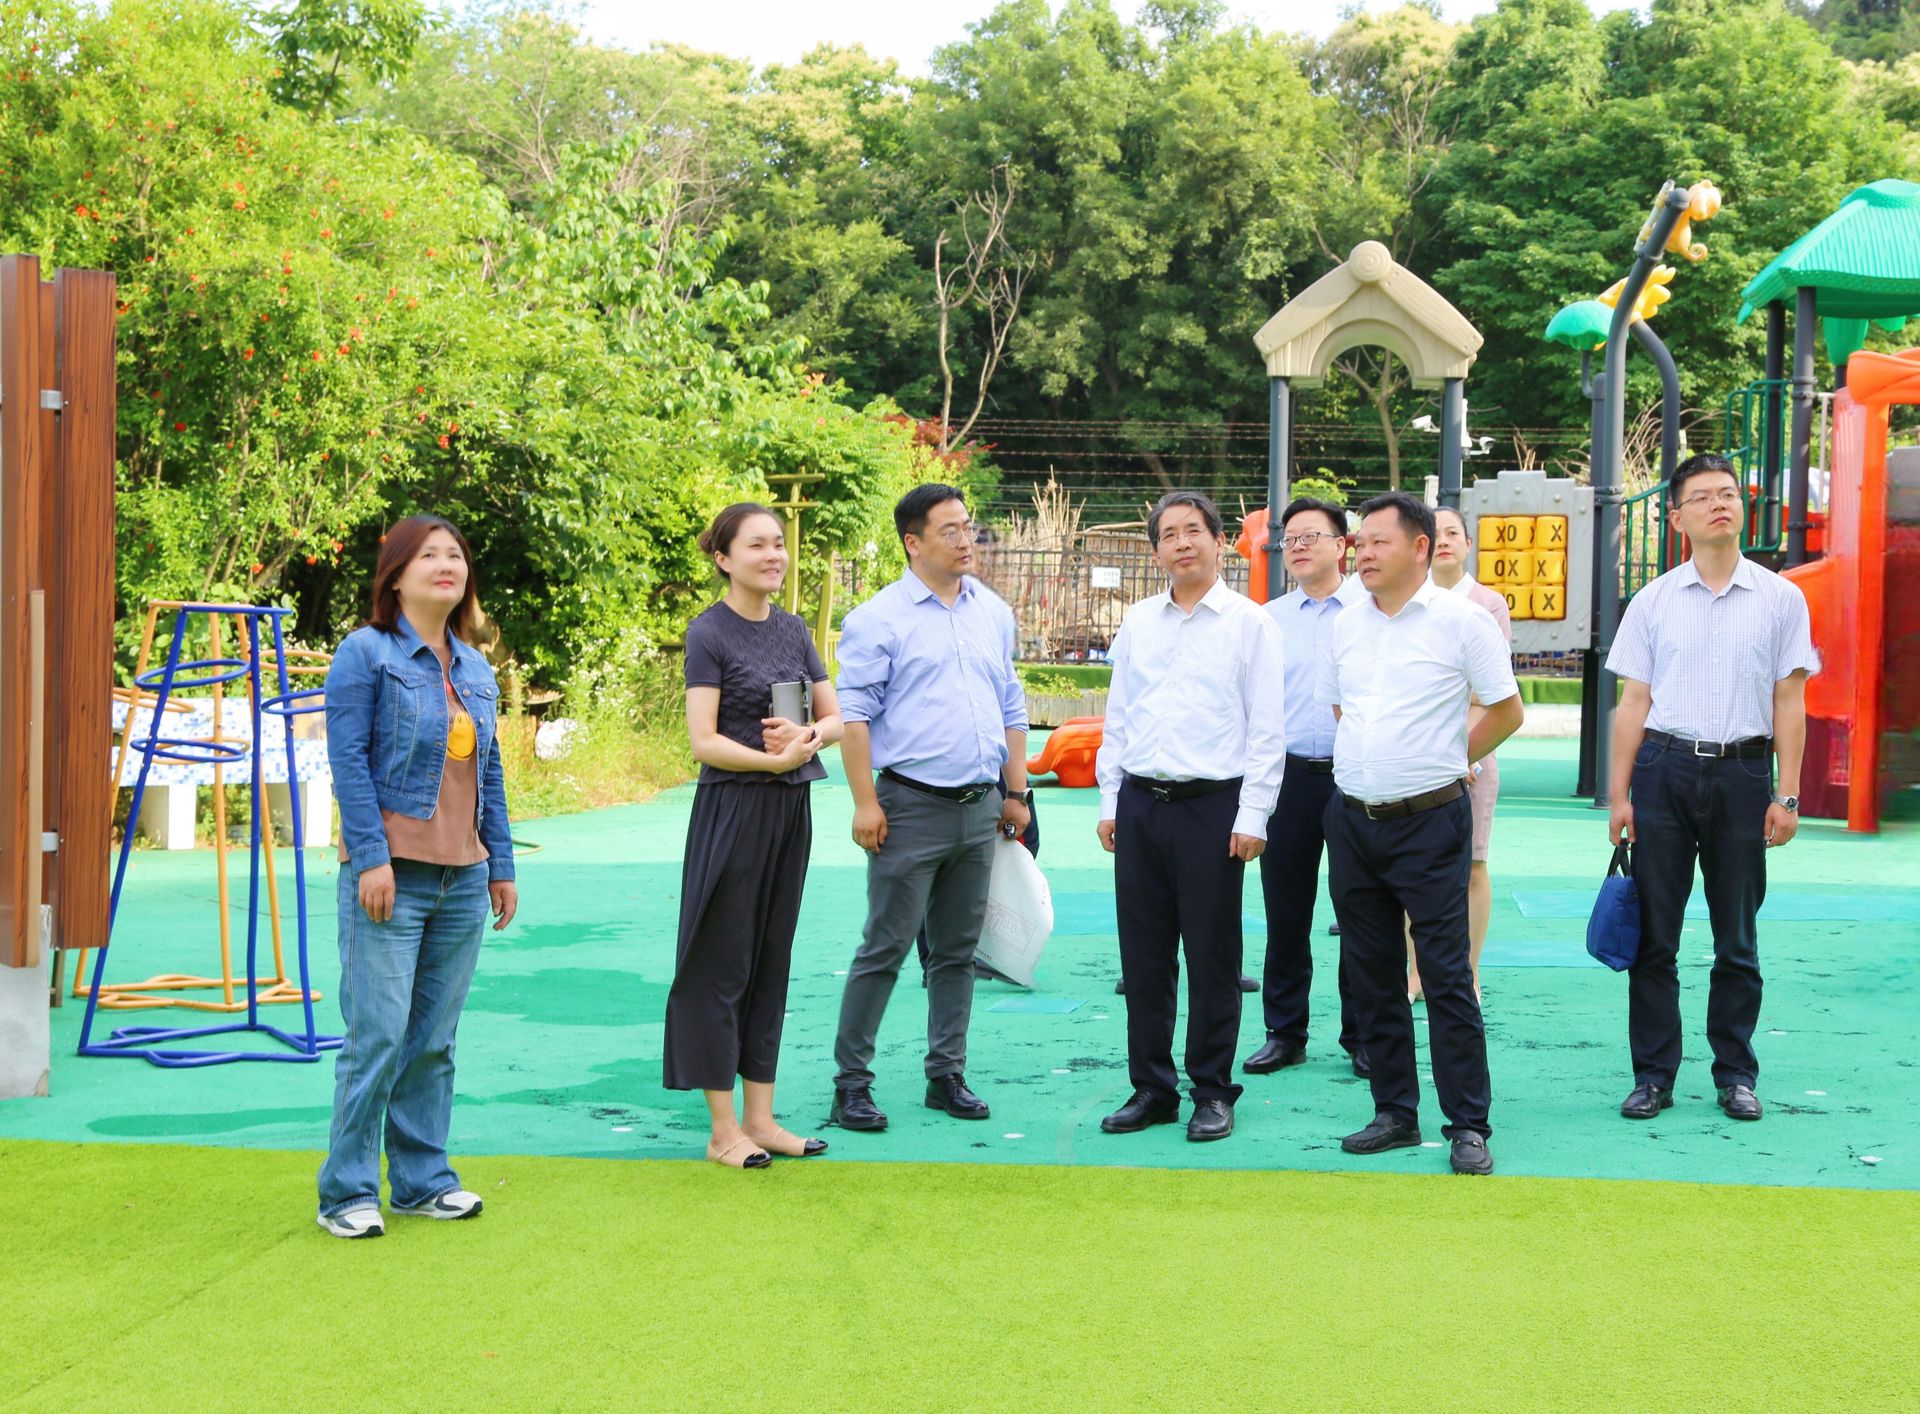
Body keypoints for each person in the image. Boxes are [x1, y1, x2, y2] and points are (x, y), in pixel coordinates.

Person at [319, 515, 518, 1238]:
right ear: (396, 576)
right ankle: (346, 1192)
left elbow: (490, 774)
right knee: (377, 1034)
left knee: (434, 1039)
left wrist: (500, 864)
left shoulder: (475, 668)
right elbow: (347, 761)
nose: (446, 564)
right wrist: (370, 857)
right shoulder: (365, 654)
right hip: (392, 877)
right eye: (429, 554)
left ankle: (423, 1181)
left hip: (462, 879)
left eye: (455, 555)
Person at [1606, 453, 1817, 1124]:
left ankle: (1736, 1075)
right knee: (1654, 938)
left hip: (1744, 775)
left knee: (1738, 937)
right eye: (1701, 497)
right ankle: (1653, 1076)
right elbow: (1632, 702)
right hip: (1663, 771)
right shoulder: (1653, 601)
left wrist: (1788, 794)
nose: (1719, 504)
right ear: (1677, 518)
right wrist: (1620, 795)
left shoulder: (1781, 598)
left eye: (1728, 493)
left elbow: (1790, 701)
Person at [1318, 492, 1522, 1176]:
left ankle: (1468, 1123)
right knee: (1370, 972)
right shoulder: (1345, 623)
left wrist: (1448, 757)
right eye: (1360, 542)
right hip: (1352, 819)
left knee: (1444, 974)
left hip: (1431, 820)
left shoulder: (1463, 622)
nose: (1363, 553)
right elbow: (1344, 709)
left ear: (1420, 548)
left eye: (1379, 541)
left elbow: (1508, 710)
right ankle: (1394, 1113)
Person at [829, 484, 1031, 1131]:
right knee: (885, 948)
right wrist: (865, 802)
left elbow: (1011, 705)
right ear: (913, 543)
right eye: (950, 530)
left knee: (957, 951)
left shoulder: (991, 611)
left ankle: (947, 1075)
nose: (966, 540)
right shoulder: (878, 619)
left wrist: (1016, 792)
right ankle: (851, 1084)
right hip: (908, 807)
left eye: (968, 527)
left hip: (980, 807)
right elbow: (854, 717)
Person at [1095, 491, 1288, 1142]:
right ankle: (1152, 1088)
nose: (1182, 543)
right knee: (1144, 957)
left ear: (1218, 541)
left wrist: (1254, 813)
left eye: (1194, 531)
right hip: (1140, 805)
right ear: (1156, 552)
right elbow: (1119, 715)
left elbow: (1267, 729)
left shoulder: (1249, 624)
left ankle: (1212, 1090)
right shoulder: (1139, 622)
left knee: (1212, 957)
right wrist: (1110, 800)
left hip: (1214, 808)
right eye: (1169, 535)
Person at [666, 503, 844, 1169]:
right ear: (723, 558)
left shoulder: (794, 630)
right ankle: (723, 1130)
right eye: (757, 545)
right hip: (733, 807)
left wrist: (807, 736)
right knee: (723, 962)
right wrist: (772, 762)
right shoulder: (708, 632)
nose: (774, 555)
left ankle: (761, 1120)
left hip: (790, 810)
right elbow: (704, 740)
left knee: (771, 958)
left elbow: (836, 717)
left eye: (778, 544)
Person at [1244, 496, 1368, 1080]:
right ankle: (1285, 1032)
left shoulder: (1371, 612)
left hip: (1355, 778)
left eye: (1309, 536)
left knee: (1361, 910)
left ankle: (1363, 1034)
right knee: (1285, 911)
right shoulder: (1267, 620)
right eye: (1288, 538)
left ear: (1342, 545)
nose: (1295, 546)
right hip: (1288, 778)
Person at [1411, 505, 1514, 1004]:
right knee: (1414, 870)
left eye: (1453, 532)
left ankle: (1468, 972)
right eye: (1435, 533)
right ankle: (1415, 973)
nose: (1444, 541)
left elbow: (1488, 691)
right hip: (1414, 759)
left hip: (1475, 753)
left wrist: (1465, 756)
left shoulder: (1487, 604)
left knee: (1473, 866)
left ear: (1468, 544)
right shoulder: (1406, 599)